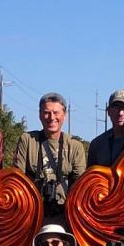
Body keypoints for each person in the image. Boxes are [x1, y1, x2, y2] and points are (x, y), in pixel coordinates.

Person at [12, 93, 86, 223]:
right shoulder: (28, 140)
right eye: (46, 113)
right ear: (40, 115)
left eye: (56, 113)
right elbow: (17, 180)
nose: (51, 118)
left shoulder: (75, 146)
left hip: (64, 214)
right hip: (32, 213)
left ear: (65, 115)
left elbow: (80, 187)